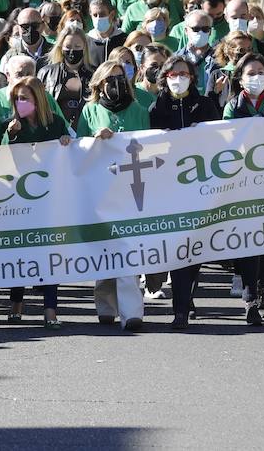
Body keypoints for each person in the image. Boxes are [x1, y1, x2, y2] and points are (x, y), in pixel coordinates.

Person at [76, 59, 151, 330]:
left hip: (132, 187)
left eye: (120, 78)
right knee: (105, 249)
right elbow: (78, 148)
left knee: (128, 248)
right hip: (100, 187)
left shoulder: (139, 110)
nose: (115, 84)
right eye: (109, 79)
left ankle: (132, 312)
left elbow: (148, 143)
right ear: (99, 83)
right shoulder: (90, 110)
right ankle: (105, 305)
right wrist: (95, 139)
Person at [147, 56, 220, 329]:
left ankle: (186, 295)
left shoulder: (205, 106)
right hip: (169, 189)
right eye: (173, 73)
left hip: (200, 186)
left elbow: (217, 140)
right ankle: (180, 310)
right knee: (180, 248)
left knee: (195, 249)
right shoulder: (156, 108)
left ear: (192, 76)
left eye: (184, 73)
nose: (178, 78)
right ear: (164, 77)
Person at [220, 53, 264, 322]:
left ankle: (262, 287)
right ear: (240, 78)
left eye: (260, 71)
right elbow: (226, 142)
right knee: (247, 240)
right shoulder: (232, 106)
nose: (256, 77)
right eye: (250, 73)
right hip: (242, 182)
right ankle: (250, 299)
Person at [39, 28, 91, 127]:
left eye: (77, 46)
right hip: (55, 129)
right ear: (61, 48)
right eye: (68, 46)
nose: (72, 50)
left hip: (84, 129)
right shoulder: (46, 73)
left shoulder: (94, 74)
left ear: (85, 48)